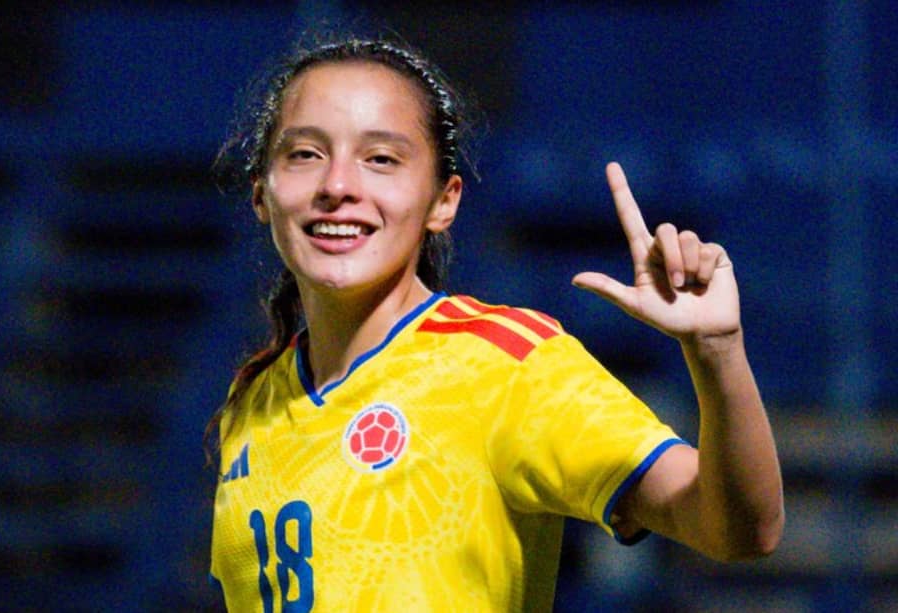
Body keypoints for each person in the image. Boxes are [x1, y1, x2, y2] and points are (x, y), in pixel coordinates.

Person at [206, 36, 784, 612]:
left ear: (444, 201)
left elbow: (736, 530)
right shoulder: (251, 402)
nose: (337, 186)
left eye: (381, 159)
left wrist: (717, 349)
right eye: (305, 154)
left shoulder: (506, 364)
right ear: (262, 192)